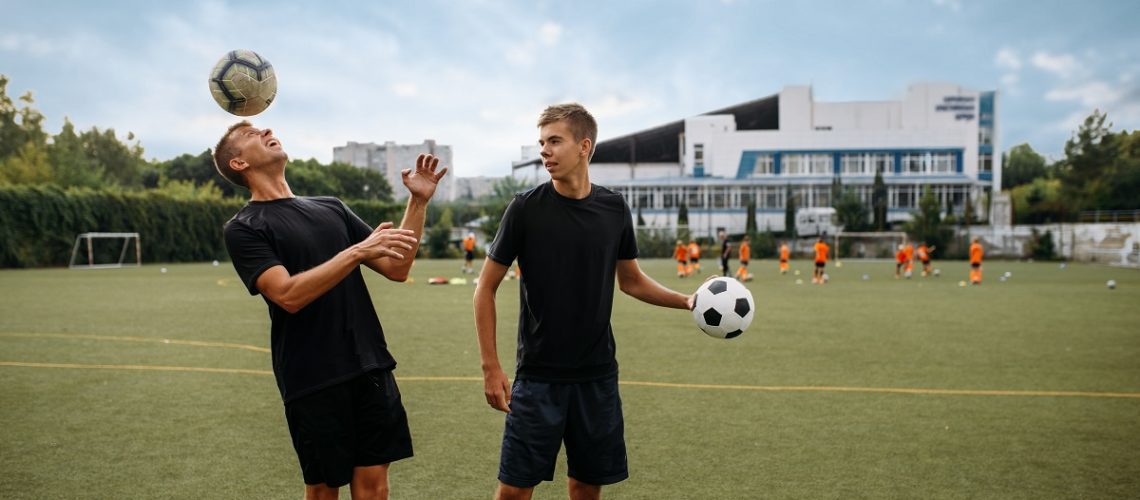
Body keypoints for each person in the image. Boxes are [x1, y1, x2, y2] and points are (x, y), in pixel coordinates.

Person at [215, 120, 448, 500]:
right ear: (239, 164)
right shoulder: (244, 227)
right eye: (251, 135)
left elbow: (396, 267)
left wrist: (418, 201)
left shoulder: (331, 208)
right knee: (324, 491)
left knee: (373, 488)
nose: (266, 130)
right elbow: (287, 295)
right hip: (312, 376)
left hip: (370, 364)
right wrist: (356, 251)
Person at [473, 103, 693, 500]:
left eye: (554, 141)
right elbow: (484, 287)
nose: (544, 151)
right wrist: (491, 367)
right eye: (541, 142)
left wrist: (689, 300)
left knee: (586, 488)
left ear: (584, 146)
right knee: (513, 491)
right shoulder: (525, 208)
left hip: (597, 377)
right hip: (539, 376)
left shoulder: (613, 208)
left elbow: (632, 282)